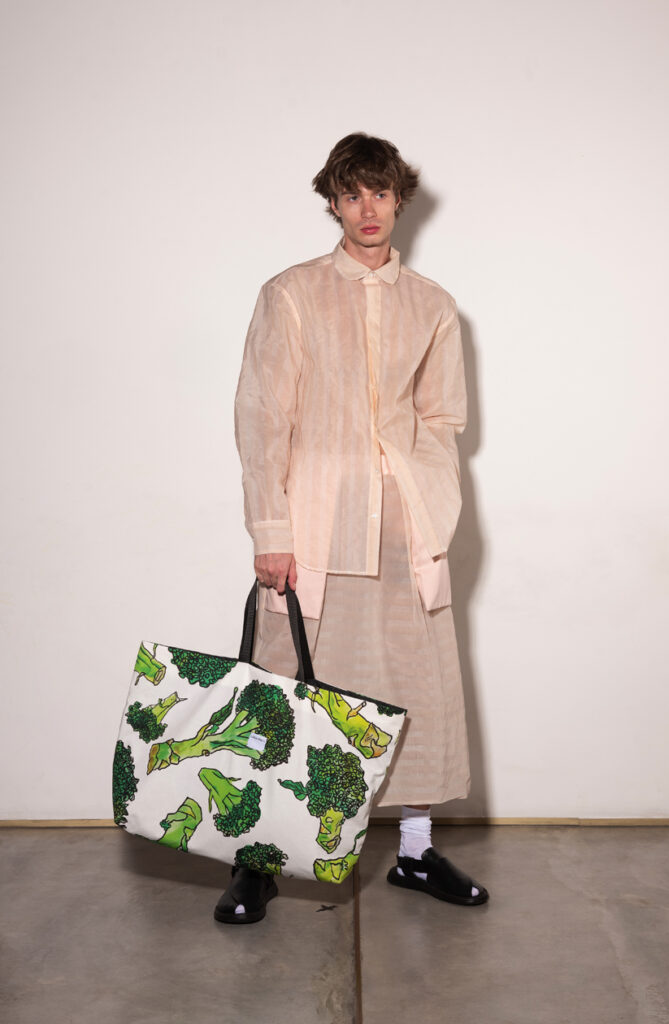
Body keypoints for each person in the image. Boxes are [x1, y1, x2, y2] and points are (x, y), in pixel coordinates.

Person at [216, 133, 489, 923]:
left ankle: (414, 852)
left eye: (380, 192)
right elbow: (262, 416)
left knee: (414, 686)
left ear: (399, 199)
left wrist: (426, 494)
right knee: (286, 686)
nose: (367, 209)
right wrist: (270, 528)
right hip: (312, 524)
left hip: (405, 525)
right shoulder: (291, 293)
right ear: (332, 203)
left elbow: (443, 418)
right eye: (351, 194)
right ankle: (256, 858)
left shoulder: (432, 304)